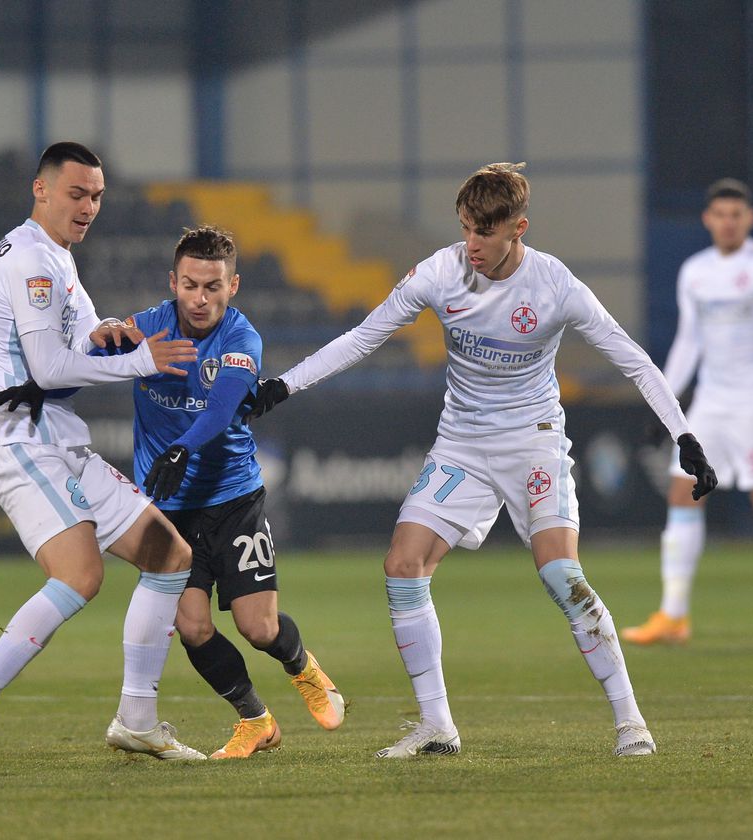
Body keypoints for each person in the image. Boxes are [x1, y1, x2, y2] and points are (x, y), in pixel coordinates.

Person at [247, 163, 717, 759]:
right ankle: (437, 726)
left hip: (534, 442)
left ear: (518, 228)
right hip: (462, 444)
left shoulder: (556, 286)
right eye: (466, 228)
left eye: (485, 234)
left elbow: (634, 360)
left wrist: (684, 435)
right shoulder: (440, 273)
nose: (472, 244)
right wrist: (282, 387)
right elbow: (364, 336)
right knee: (402, 564)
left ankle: (631, 724)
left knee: (561, 576)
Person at [0, 226, 347, 759]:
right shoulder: (148, 327)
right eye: (190, 285)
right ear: (173, 282)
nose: (200, 298)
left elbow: (221, 409)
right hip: (168, 508)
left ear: (234, 287)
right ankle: (255, 720)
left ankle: (302, 667)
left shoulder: (240, 339)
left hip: (233, 499)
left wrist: (180, 449)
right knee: (191, 625)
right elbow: (98, 366)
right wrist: (43, 387)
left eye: (213, 287)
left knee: (258, 626)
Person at [0, 141, 205, 770]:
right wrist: (142, 362)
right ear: (42, 189)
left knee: (170, 555)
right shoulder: (31, 259)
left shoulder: (56, 258)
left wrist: (112, 334)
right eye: (77, 193)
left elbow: (82, 341)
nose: (89, 206)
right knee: (81, 575)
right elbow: (52, 366)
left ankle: (136, 719)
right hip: (19, 439)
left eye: (98, 196)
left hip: (58, 437)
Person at [621, 178, 753, 649]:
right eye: (720, 215)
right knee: (681, 495)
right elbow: (690, 340)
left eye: (737, 215)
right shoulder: (695, 271)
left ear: (749, 218)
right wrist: (665, 400)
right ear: (708, 219)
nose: (728, 222)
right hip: (711, 401)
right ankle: (674, 615)